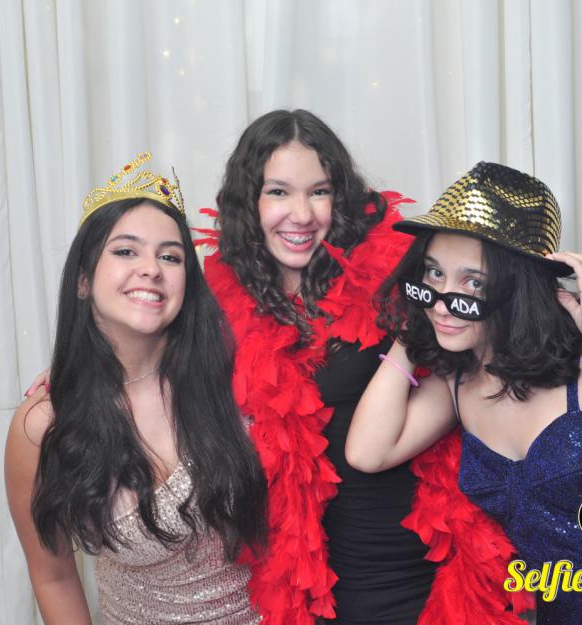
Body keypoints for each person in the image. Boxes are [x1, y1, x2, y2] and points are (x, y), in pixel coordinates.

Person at [197, 110, 514, 625]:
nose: (301, 214)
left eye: (319, 192)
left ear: (340, 197)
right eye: (278, 192)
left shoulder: (396, 276)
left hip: (418, 561)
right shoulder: (217, 306)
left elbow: (488, 325)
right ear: (248, 201)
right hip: (310, 579)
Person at [6, 153, 267, 625]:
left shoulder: (239, 378)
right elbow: (53, 577)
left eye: (170, 256)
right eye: (126, 251)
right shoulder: (43, 424)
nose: (151, 268)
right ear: (83, 280)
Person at [346, 161, 582, 624]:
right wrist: (414, 329)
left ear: (519, 289)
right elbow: (367, 452)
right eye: (433, 274)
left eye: (473, 282)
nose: (442, 299)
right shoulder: (458, 383)